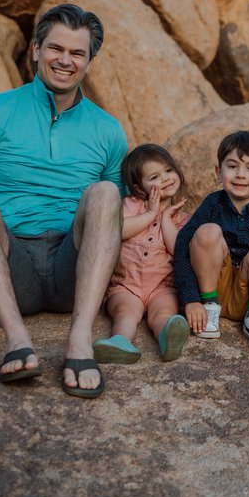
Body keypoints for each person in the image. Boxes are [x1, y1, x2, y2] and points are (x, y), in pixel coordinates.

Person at [0, 3, 127, 399]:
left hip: (72, 266)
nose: (65, 60)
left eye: (77, 53)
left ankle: (79, 342)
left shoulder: (108, 129)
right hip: (10, 267)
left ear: (89, 61)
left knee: (106, 192)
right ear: (35, 49)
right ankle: (17, 339)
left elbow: (116, 216)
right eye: (55, 48)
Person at [173, 131, 249, 352]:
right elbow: (183, 243)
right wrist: (190, 299)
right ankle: (209, 309)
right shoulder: (212, 203)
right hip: (212, 287)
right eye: (232, 166)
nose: (240, 175)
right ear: (219, 172)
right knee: (206, 232)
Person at [93, 144, 191, 364]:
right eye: (154, 177)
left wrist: (165, 219)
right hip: (127, 285)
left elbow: (180, 253)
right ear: (139, 188)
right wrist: (151, 213)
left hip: (162, 287)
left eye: (168, 170)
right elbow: (118, 231)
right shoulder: (132, 205)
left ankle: (167, 337)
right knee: (125, 313)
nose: (165, 178)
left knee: (163, 313)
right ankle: (121, 341)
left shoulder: (182, 218)